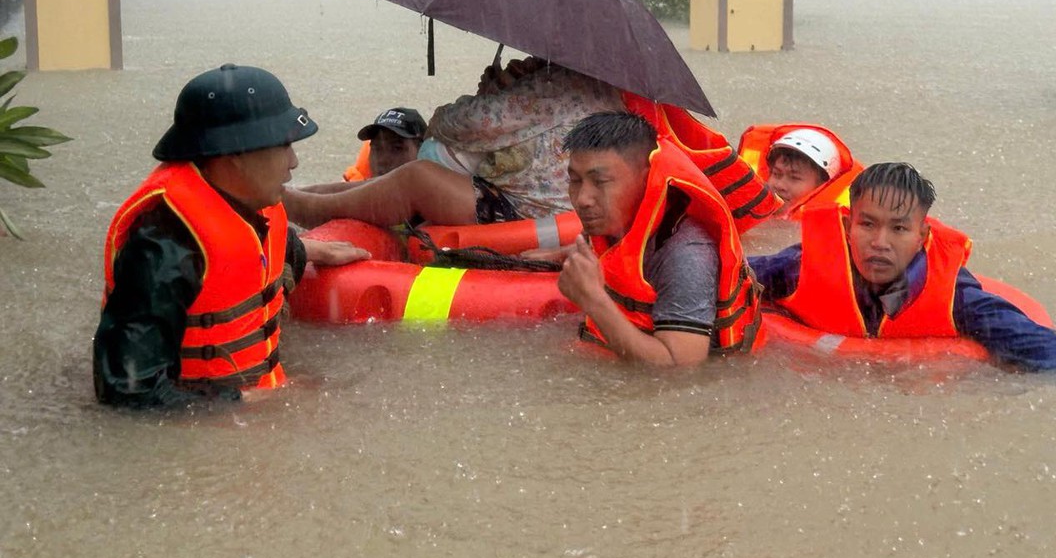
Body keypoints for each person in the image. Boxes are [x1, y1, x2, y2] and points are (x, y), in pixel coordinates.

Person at [94, 64, 370, 408]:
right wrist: (244, 401)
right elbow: (126, 392)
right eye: (283, 145)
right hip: (204, 432)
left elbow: (252, 257)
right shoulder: (163, 249)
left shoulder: (253, 203)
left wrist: (309, 250)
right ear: (235, 154)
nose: (294, 161)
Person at [749, 162, 1056, 370]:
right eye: (867, 225)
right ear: (848, 226)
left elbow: (1047, 351)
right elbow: (731, 272)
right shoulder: (801, 265)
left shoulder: (953, 294)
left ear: (921, 235)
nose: (880, 241)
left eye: (898, 228)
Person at [282, 57, 625, 229]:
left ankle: (304, 208)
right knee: (391, 180)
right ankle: (299, 194)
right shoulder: (604, 88)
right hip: (554, 206)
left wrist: (494, 91)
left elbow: (455, 124)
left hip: (528, 212)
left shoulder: (555, 88)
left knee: (417, 178)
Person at [554, 112, 761, 367]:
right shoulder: (611, 219)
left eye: (600, 181)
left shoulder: (686, 254)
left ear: (647, 179)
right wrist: (557, 255)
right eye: (575, 180)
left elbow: (680, 369)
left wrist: (593, 301)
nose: (583, 198)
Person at [764, 128, 841, 216]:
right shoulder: (749, 211)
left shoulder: (829, 227)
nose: (779, 185)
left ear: (821, 187)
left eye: (794, 178)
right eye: (776, 174)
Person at [344, 106, 428, 181]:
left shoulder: (438, 195)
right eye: (377, 149)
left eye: (397, 148)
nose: (382, 160)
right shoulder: (352, 196)